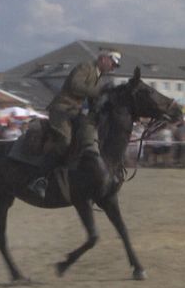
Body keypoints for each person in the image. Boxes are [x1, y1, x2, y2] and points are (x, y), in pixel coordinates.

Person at [28, 50, 121, 198]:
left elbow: (93, 100)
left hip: (75, 112)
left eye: (115, 66)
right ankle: (39, 179)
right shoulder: (85, 67)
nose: (113, 68)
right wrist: (100, 91)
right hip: (62, 109)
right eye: (112, 64)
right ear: (103, 59)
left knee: (92, 137)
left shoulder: (99, 77)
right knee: (65, 141)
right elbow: (75, 86)